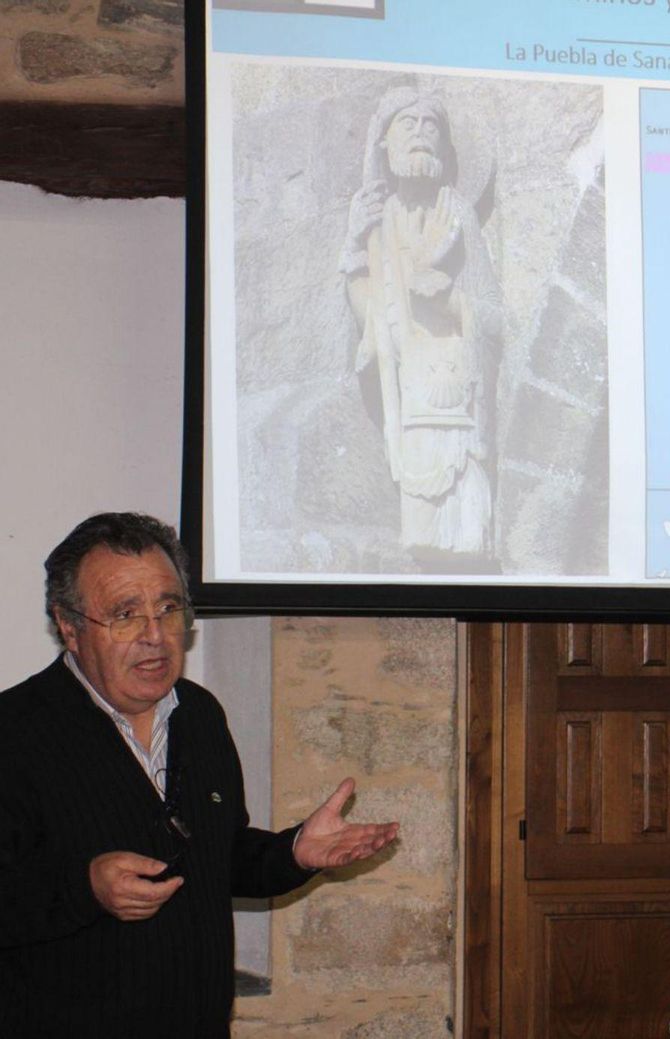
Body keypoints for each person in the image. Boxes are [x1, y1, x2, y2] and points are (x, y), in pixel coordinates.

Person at [0, 512, 398, 1038]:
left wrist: (294, 852)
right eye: (125, 615)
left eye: (169, 609)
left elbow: (217, 856)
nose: (155, 636)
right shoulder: (15, 732)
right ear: (69, 626)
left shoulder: (199, 714)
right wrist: (85, 889)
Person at [340, 86, 503, 566]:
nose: (419, 135)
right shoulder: (375, 221)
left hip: (459, 408)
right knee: (423, 529)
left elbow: (494, 317)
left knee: (467, 531)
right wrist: (354, 247)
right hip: (410, 404)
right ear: (384, 145)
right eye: (406, 125)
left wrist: (450, 300)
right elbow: (366, 311)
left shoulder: (461, 217)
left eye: (430, 125)